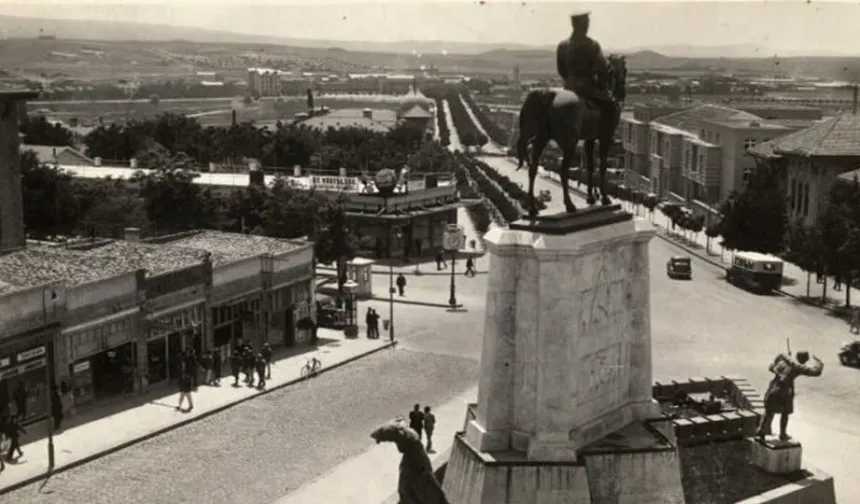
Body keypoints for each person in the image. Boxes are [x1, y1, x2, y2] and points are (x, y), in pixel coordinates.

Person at [556, 11, 616, 128]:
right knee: (611, 106)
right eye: (587, 22)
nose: (588, 25)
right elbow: (602, 69)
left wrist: (569, 80)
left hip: (569, 86)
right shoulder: (591, 44)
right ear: (583, 24)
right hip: (587, 88)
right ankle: (607, 135)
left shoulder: (562, 45)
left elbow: (561, 69)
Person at [755, 351, 823, 441]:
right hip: (784, 391)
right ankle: (783, 434)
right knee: (785, 412)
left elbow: (771, 367)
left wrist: (782, 368)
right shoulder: (798, 366)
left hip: (772, 388)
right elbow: (816, 372)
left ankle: (760, 432)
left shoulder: (784, 361)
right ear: (804, 360)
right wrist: (819, 363)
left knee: (768, 411)